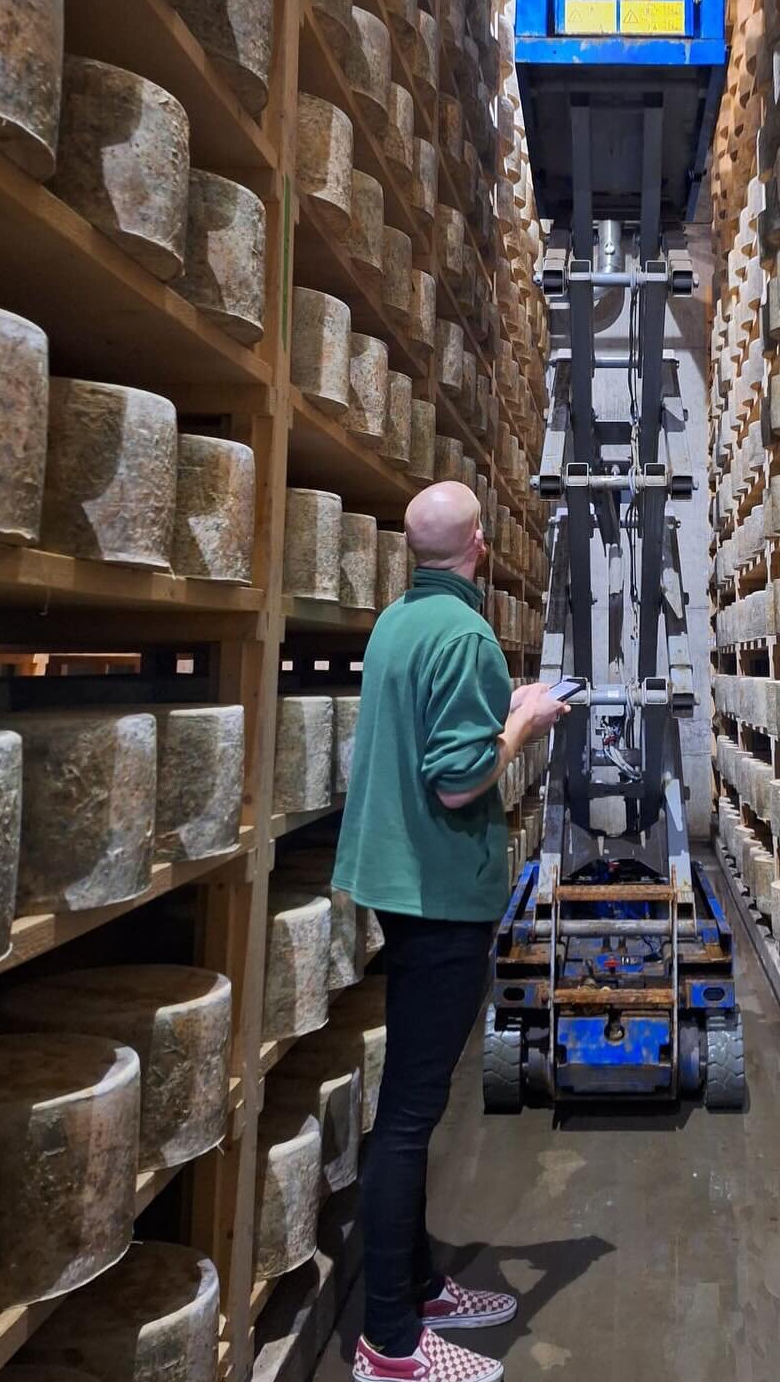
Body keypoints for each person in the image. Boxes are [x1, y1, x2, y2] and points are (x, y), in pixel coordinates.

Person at [334, 481, 570, 1382]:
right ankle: (389, 1341)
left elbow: (432, 727)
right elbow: (460, 781)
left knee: (410, 1105)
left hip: (397, 882)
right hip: (441, 892)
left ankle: (423, 1283)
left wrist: (493, 707)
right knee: (409, 1117)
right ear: (477, 545)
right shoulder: (467, 634)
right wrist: (526, 723)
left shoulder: (398, 622)